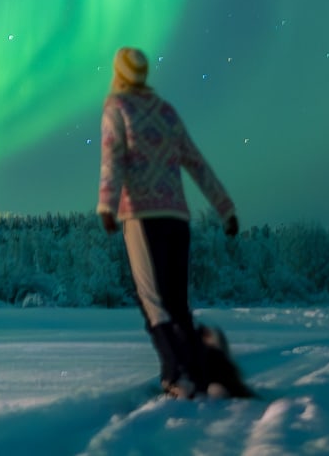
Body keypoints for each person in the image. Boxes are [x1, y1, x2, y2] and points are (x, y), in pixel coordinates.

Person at [97, 46, 239, 399]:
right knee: (177, 301)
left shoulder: (117, 108)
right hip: (177, 217)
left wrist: (106, 205)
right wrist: (225, 208)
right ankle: (199, 373)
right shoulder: (165, 111)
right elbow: (196, 162)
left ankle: (176, 375)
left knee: (152, 300)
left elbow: (113, 158)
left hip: (142, 216)